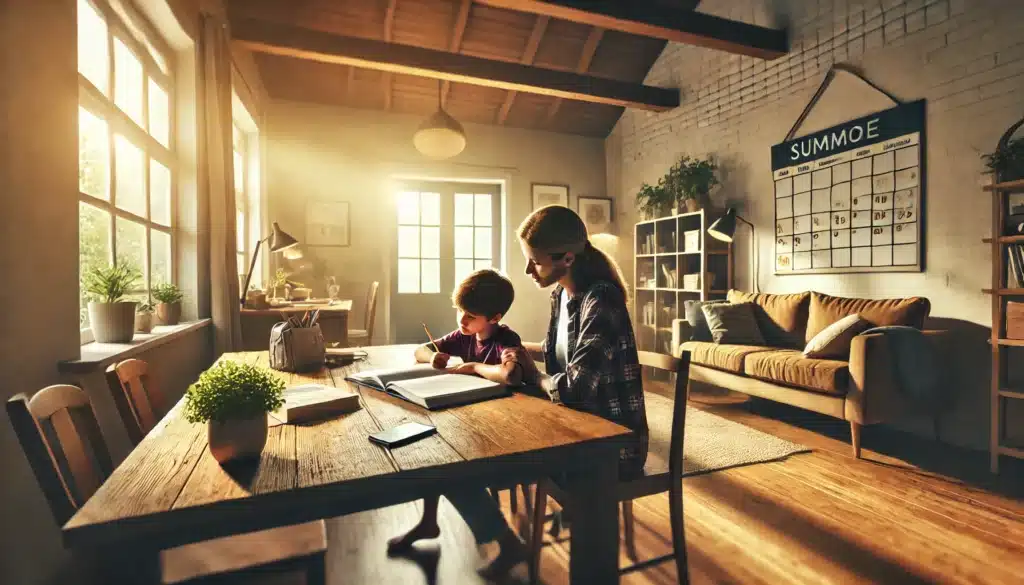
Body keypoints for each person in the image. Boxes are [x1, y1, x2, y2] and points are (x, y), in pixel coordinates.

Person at [388, 268, 528, 578]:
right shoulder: (463, 336)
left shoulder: (505, 339)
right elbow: (421, 349)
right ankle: (428, 522)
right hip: (471, 423)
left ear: (494, 317)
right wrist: (432, 358)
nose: (462, 320)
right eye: (459, 311)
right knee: (430, 449)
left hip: (503, 430)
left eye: (470, 316)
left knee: (453, 469)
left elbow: (510, 375)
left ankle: (508, 543)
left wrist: (475, 367)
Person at [505, 205, 648, 480]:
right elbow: (556, 352)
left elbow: (576, 389)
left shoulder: (602, 299)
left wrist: (534, 375)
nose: (527, 270)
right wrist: (510, 348)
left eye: (535, 261)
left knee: (508, 459)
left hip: (612, 448)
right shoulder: (560, 294)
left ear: (568, 258)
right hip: (573, 425)